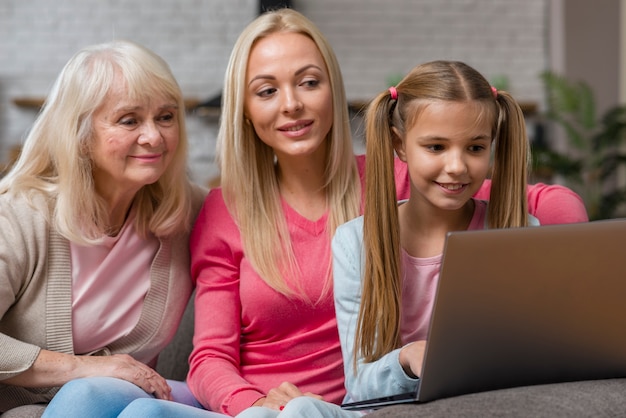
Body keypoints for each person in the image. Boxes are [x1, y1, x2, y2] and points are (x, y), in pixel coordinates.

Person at [0, 40, 206, 416]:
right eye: (129, 120)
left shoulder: (189, 211)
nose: (154, 137)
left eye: (166, 116)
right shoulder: (20, 215)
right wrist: (84, 368)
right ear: (79, 136)